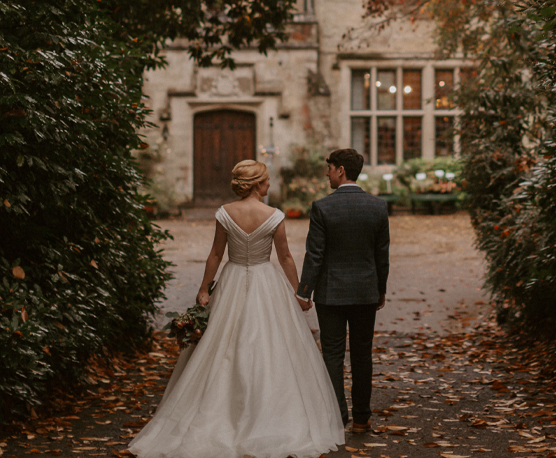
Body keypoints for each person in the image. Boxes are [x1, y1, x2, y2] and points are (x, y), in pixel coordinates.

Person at [129, 160, 344, 458]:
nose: (269, 185)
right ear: (256, 184)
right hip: (265, 281)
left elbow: (216, 254)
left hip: (231, 279)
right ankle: (270, 417)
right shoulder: (274, 215)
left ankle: (218, 410)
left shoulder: (225, 212)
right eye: (266, 181)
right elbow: (285, 258)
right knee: (271, 347)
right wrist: (299, 292)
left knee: (222, 346)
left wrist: (205, 287)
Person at [297, 149, 390, 433]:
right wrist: (380, 290)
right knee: (363, 354)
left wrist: (304, 291)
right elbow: (382, 255)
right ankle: (362, 419)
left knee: (333, 356)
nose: (327, 173)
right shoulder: (377, 206)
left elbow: (315, 254)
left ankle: (337, 418)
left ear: (340, 171)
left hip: (331, 294)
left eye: (329, 168)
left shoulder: (322, 207)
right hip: (365, 292)